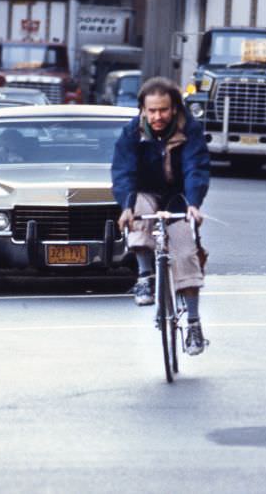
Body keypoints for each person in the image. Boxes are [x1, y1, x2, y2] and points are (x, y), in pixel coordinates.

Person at [112, 76, 211, 356]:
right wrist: (126, 206)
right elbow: (124, 172)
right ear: (142, 110)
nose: (157, 117)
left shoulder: (190, 129)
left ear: (175, 108)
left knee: (186, 253)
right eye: (152, 110)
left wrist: (194, 203)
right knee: (139, 209)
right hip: (145, 194)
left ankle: (193, 323)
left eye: (163, 110)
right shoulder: (131, 133)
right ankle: (145, 276)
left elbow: (195, 167)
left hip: (178, 197)